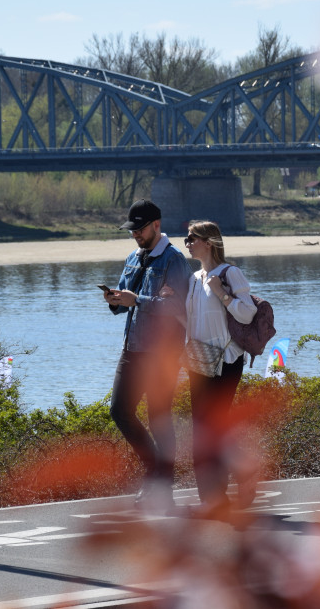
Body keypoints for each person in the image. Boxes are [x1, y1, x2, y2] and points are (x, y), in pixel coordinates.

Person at [104, 198, 191, 511]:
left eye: (139, 229)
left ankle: (162, 488)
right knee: (119, 411)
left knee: (159, 420)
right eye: (132, 230)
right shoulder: (132, 257)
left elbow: (179, 307)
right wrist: (114, 300)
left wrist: (137, 300)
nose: (135, 235)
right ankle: (157, 472)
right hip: (133, 349)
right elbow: (123, 301)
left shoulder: (175, 261)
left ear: (157, 225)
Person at [182, 220, 258, 519]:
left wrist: (223, 294)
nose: (187, 243)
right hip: (199, 361)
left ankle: (216, 496)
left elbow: (248, 313)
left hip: (226, 360)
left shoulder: (228, 273)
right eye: (186, 239)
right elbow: (192, 323)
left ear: (208, 242)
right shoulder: (194, 277)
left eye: (191, 238)